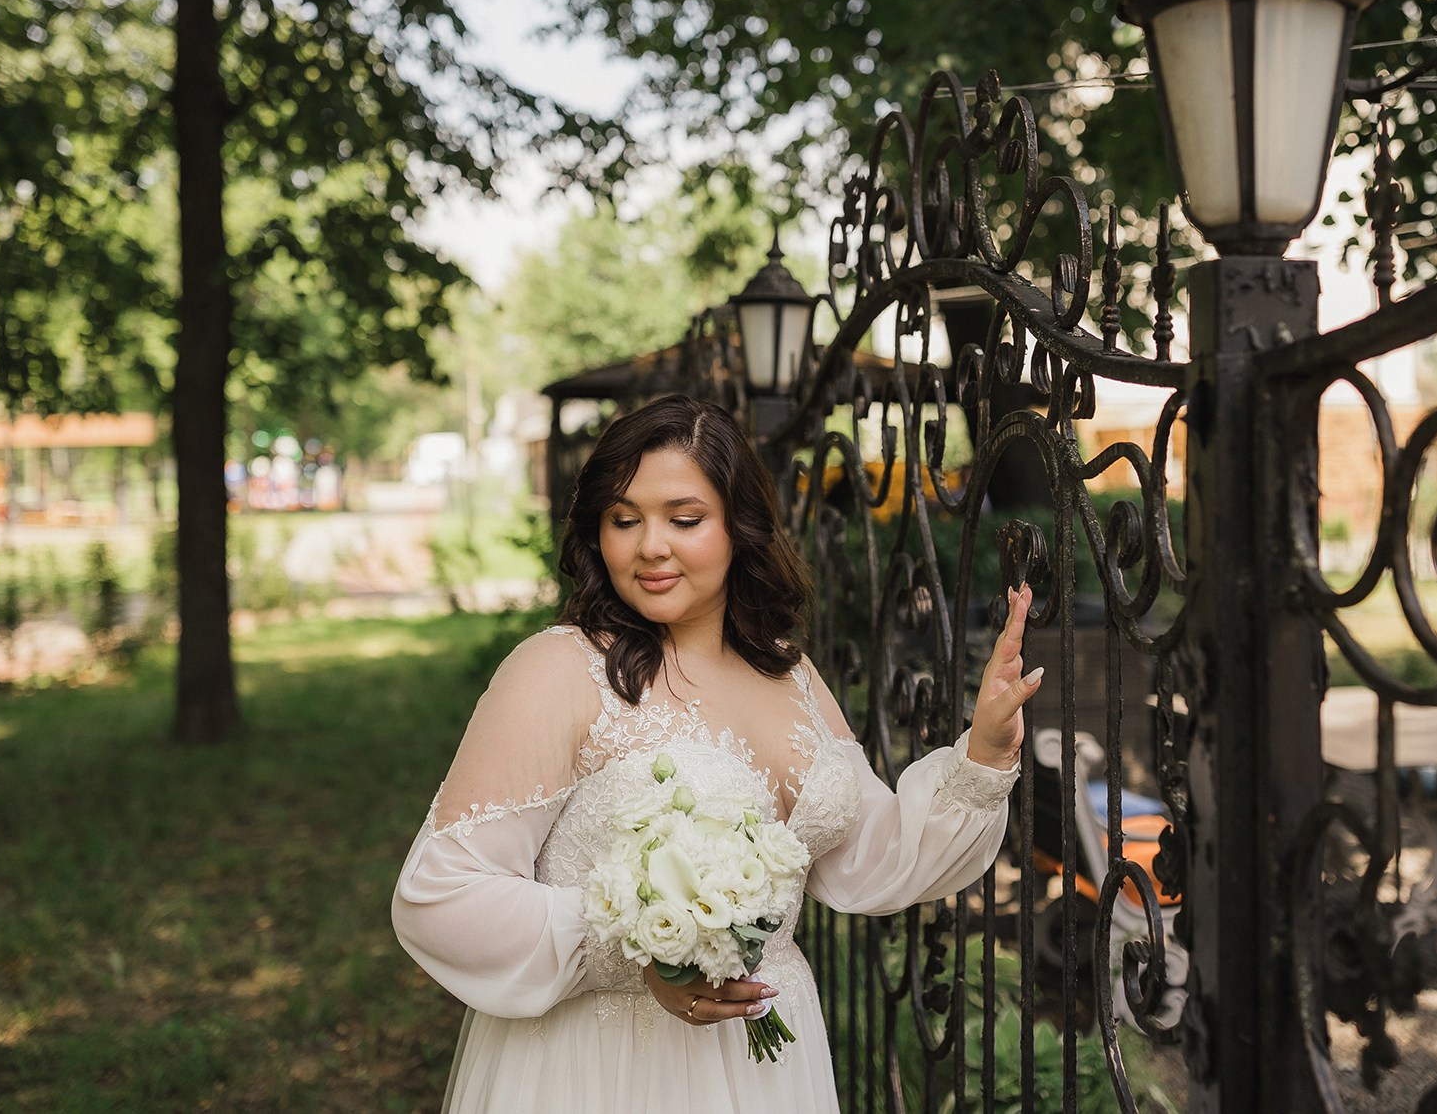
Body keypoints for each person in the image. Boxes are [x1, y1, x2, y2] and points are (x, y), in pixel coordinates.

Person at [392, 394, 1042, 1112]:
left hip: (770, 1061)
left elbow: (870, 858)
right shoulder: (558, 670)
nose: (650, 546)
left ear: (740, 524)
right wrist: (639, 953)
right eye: (623, 518)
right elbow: (440, 894)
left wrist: (983, 751)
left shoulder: (789, 673)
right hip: (605, 1070)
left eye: (684, 519)